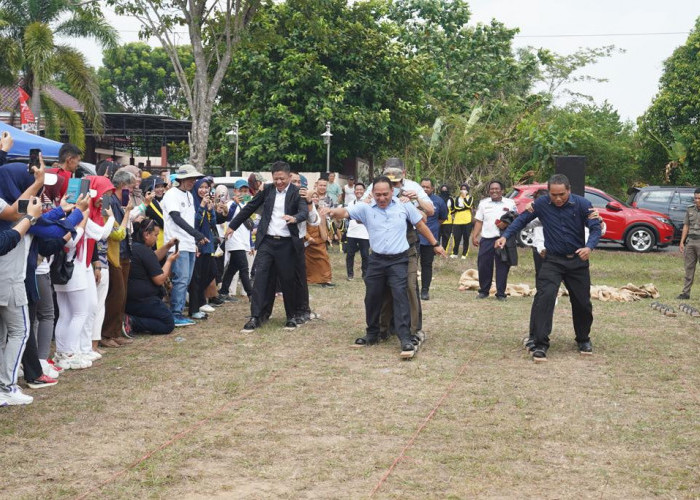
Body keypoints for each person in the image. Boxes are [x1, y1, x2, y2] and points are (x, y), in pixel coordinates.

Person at [322, 176, 446, 356]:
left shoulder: (404, 206)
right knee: (372, 297)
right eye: (378, 195)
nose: (381, 198)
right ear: (372, 194)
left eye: (385, 194)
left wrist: (435, 244)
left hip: (399, 260)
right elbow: (346, 212)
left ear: (392, 192)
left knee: (400, 296)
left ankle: (404, 338)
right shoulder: (365, 208)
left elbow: (420, 225)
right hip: (377, 260)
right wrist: (332, 212)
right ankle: (372, 333)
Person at [496, 174, 601, 362]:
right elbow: (521, 220)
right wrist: (506, 235)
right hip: (552, 261)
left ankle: (583, 338)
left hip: (577, 261)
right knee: (545, 298)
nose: (558, 198)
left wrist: (589, 246)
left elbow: (595, 227)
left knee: (582, 303)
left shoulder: (583, 205)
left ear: (569, 190)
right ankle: (540, 343)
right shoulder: (541, 204)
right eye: (554, 195)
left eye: (562, 194)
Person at [227, 161, 308, 332]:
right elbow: (249, 207)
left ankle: (291, 316)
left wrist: (295, 218)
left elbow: (303, 211)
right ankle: (257, 316)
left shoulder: (296, 192)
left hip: (287, 243)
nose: (279, 182)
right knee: (260, 279)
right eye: (276, 178)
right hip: (267, 242)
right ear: (272, 178)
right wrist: (233, 225)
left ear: (288, 177)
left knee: (288, 280)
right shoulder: (267, 190)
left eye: (282, 179)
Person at [161, 165, 208, 327]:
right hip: (177, 243)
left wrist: (194, 240)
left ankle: (178, 311)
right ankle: (175, 313)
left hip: (188, 243)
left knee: (186, 279)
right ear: (180, 179)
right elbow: (176, 218)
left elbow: (189, 220)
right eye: (189, 179)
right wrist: (197, 234)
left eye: (194, 179)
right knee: (180, 279)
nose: (192, 182)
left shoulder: (189, 195)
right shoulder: (171, 194)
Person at [125, 218, 178, 334]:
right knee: (168, 323)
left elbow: (152, 258)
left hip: (130, 299)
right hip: (144, 299)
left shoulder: (134, 247)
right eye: (155, 235)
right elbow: (159, 280)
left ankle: (129, 318)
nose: (157, 238)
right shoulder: (144, 251)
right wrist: (169, 261)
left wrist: (168, 246)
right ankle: (132, 322)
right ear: (146, 234)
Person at [471, 180, 517, 300]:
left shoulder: (510, 203)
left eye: (497, 189)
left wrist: (506, 223)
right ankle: (484, 291)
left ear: (502, 190)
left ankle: (501, 293)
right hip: (487, 239)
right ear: (489, 190)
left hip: (503, 238)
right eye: (492, 189)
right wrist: (475, 235)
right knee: (484, 265)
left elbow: (515, 219)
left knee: (502, 266)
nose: (494, 191)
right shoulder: (483, 203)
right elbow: (479, 221)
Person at [189, 177, 222, 319]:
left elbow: (213, 222)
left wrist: (211, 209)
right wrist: (202, 206)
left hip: (208, 243)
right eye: (201, 187)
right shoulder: (193, 203)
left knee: (211, 273)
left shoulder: (206, 202)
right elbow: (195, 223)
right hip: (197, 243)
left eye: (206, 187)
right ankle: (195, 305)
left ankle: (197, 299)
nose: (203, 190)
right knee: (197, 276)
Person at [219, 180, 254, 300]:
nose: (243, 193)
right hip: (234, 240)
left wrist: (251, 244)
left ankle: (223, 291)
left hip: (243, 242)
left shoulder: (247, 205)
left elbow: (249, 227)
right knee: (244, 268)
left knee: (232, 268)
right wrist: (235, 203)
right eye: (241, 191)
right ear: (235, 191)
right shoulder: (230, 204)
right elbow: (228, 217)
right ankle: (251, 294)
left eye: (245, 191)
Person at [418, 178, 448, 300]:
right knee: (410, 265)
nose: (425, 189)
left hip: (430, 239)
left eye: (427, 187)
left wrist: (432, 227)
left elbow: (442, 218)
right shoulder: (414, 199)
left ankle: (425, 290)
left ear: (432, 188)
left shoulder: (439, 201)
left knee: (426, 265)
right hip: (414, 238)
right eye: (422, 187)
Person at [305, 192, 333, 286]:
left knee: (324, 260)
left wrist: (327, 236)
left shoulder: (321, 210)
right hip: (309, 241)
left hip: (320, 240)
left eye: (316, 197)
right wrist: (308, 237)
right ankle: (311, 279)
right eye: (313, 197)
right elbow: (302, 227)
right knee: (309, 263)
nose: (315, 198)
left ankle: (326, 280)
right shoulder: (305, 210)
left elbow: (324, 225)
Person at [677, 188, 700, 299]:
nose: (697, 200)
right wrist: (682, 241)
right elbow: (686, 225)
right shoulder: (690, 209)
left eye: (699, 198)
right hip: (690, 242)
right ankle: (685, 293)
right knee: (688, 268)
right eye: (695, 198)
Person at [345, 182, 370, 280]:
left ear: (364, 191)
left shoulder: (368, 202)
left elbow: (366, 218)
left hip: (364, 234)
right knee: (350, 254)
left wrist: (360, 219)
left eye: (361, 189)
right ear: (354, 191)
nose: (359, 191)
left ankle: (365, 274)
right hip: (352, 233)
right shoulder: (351, 203)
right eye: (357, 189)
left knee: (365, 255)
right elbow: (349, 216)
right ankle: (350, 274)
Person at [450, 183, 474, 259]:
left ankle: (464, 254)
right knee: (456, 237)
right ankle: (455, 253)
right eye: (462, 189)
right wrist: (465, 208)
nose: (463, 190)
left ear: (467, 190)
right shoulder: (457, 198)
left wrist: (464, 198)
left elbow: (468, 205)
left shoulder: (470, 197)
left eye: (465, 189)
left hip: (467, 220)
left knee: (466, 238)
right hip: (457, 220)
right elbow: (456, 207)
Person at [438, 184, 454, 249]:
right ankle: (436, 249)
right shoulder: (438, 198)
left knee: (446, 236)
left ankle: (444, 249)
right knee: (437, 235)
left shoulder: (450, 199)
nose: (444, 191)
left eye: (445, 190)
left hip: (448, 220)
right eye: (443, 189)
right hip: (438, 220)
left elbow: (453, 209)